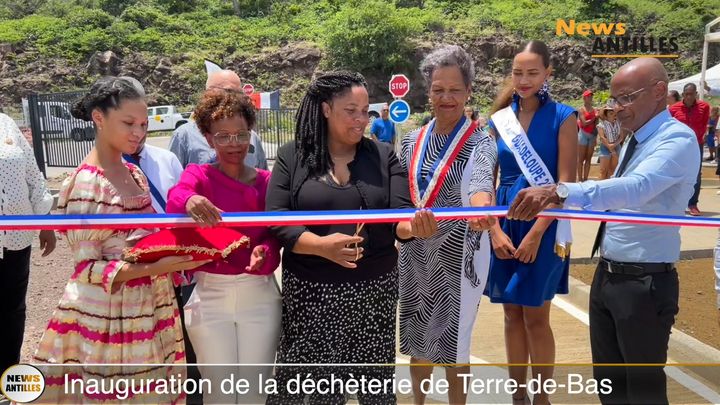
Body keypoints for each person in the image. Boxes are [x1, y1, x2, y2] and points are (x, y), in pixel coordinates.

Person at [506, 58, 699, 405]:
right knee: (609, 387)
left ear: (658, 92)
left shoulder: (677, 140)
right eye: (614, 100)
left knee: (643, 393)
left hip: (645, 284)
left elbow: (636, 188)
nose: (617, 109)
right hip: (609, 276)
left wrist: (560, 191)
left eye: (626, 98)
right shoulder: (634, 140)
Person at [33, 77, 210, 403]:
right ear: (98, 118)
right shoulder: (87, 183)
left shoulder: (135, 173)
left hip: (150, 307)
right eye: (128, 123)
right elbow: (86, 269)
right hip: (110, 318)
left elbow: (141, 240)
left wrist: (174, 250)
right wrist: (162, 263)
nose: (138, 132)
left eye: (143, 124)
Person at [265, 71, 437, 404]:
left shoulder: (384, 156)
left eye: (365, 111)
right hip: (311, 296)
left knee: (375, 388)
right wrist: (321, 247)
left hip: (374, 296)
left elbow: (398, 217)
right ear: (326, 109)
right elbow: (278, 220)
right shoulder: (292, 157)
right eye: (351, 111)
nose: (361, 120)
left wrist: (414, 227)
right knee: (316, 392)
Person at [166, 89, 281, 405]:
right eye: (223, 136)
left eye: (241, 135)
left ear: (251, 134)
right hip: (210, 297)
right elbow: (176, 196)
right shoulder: (198, 176)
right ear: (207, 137)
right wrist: (190, 199)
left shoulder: (266, 181)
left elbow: (274, 234)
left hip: (260, 294)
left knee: (255, 393)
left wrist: (267, 255)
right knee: (220, 392)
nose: (234, 144)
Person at [398, 45, 497, 405]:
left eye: (455, 89)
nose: (447, 98)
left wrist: (482, 209)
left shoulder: (480, 142)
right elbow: (400, 197)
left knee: (455, 346)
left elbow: (480, 185)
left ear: (469, 91)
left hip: (459, 257)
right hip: (415, 254)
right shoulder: (411, 140)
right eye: (439, 89)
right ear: (428, 91)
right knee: (418, 342)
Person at [485, 40, 577, 405]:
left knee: (537, 315)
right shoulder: (499, 120)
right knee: (510, 314)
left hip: (546, 223)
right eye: (518, 73)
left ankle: (542, 398)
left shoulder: (563, 117)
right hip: (506, 219)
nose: (524, 80)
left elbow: (566, 186)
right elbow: (486, 182)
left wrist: (538, 234)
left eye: (532, 73)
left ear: (548, 74)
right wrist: (493, 229)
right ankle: (517, 395)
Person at [0, 113, 55, 375]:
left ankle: (7, 374)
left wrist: (46, 222)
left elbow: (33, 175)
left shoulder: (6, 124)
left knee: (13, 309)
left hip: (16, 240)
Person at [170, 70, 267, 169]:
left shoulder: (252, 137)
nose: (234, 99)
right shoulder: (184, 136)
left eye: (239, 93)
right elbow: (173, 178)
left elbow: (264, 179)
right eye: (228, 92)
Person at [669, 83, 710, 216]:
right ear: (682, 95)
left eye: (691, 94)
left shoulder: (704, 107)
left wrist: (696, 139)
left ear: (695, 94)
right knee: (674, 173)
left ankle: (692, 204)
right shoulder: (673, 108)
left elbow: (704, 125)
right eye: (686, 94)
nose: (688, 96)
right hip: (677, 146)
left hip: (696, 145)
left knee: (696, 175)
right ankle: (675, 203)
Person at [597, 107, 626, 180]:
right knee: (603, 170)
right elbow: (602, 138)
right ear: (606, 115)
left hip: (616, 146)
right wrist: (611, 148)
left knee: (613, 170)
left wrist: (614, 145)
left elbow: (621, 137)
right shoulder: (601, 125)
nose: (614, 115)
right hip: (605, 146)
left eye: (614, 113)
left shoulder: (619, 123)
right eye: (611, 113)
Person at [577, 89, 598, 182]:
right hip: (583, 134)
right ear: (584, 98)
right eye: (588, 96)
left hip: (592, 135)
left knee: (588, 158)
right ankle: (580, 179)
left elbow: (596, 124)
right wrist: (595, 117)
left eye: (591, 96)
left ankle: (585, 179)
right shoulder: (581, 110)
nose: (590, 98)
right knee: (581, 159)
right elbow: (584, 123)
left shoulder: (594, 110)